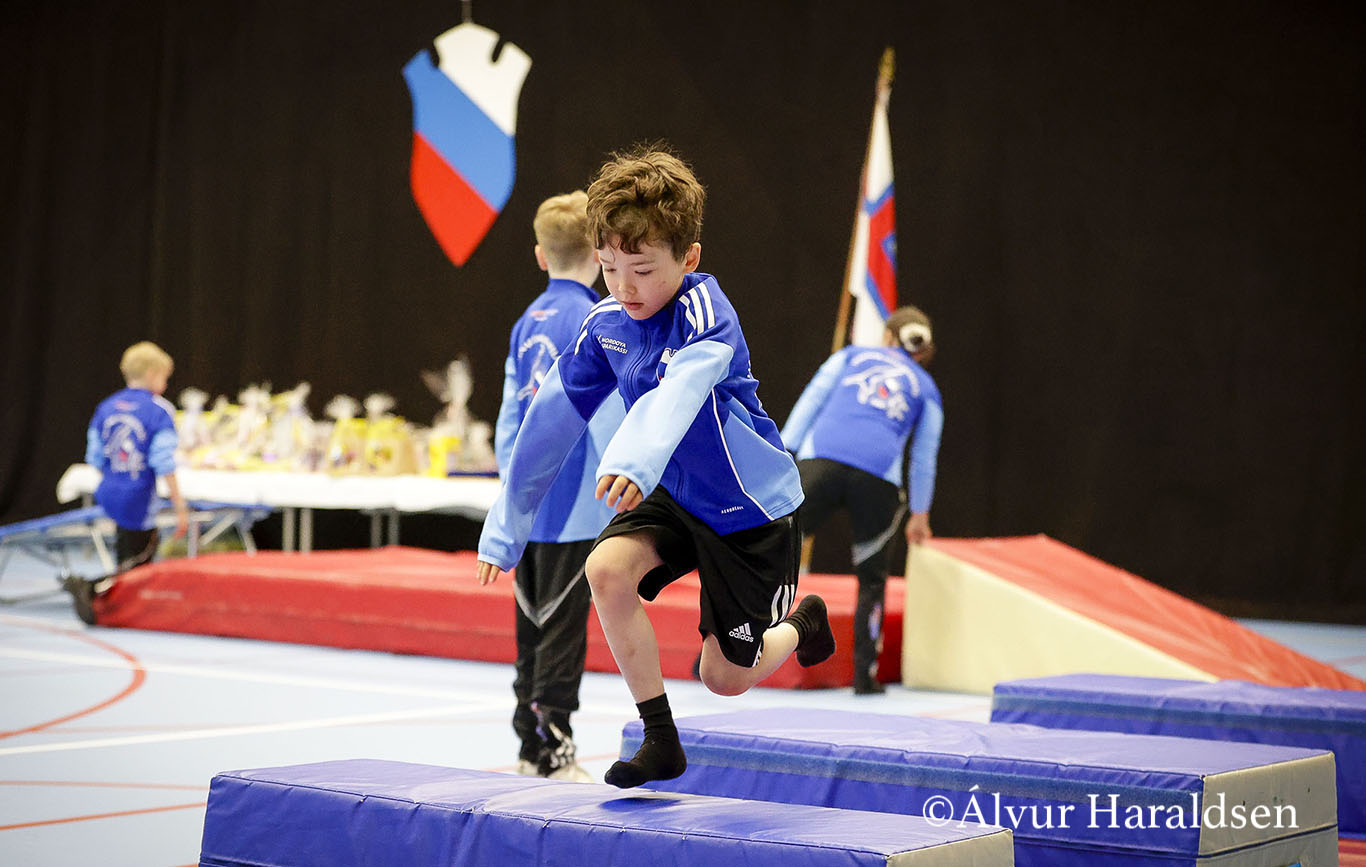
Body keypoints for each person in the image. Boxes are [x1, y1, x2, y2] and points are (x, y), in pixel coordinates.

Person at [477, 146, 835, 789]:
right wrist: (508, 522)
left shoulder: (706, 314)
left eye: (642, 270)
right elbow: (552, 416)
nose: (624, 288)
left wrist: (633, 460)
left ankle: (803, 619)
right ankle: (660, 739)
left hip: (750, 508)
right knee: (605, 569)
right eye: (610, 267)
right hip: (674, 492)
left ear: (689, 258)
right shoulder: (605, 324)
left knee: (723, 677)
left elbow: (679, 391)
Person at [494, 190, 625, 782]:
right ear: (599, 256)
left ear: (540, 256)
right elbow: (608, 412)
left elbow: (508, 415)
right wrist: (626, 480)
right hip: (577, 499)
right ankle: (554, 747)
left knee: (531, 622)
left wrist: (512, 489)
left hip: (530, 496)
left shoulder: (527, 321)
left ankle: (529, 745)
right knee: (563, 626)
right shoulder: (600, 319)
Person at [780, 307, 944, 694]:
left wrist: (783, 454)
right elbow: (924, 459)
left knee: (772, 549)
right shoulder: (927, 389)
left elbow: (810, 402)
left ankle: (728, 647)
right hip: (878, 481)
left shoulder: (850, 356)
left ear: (888, 336)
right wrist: (919, 514)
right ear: (922, 350)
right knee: (872, 578)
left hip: (820, 464)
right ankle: (865, 675)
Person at [64, 341, 189, 624]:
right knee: (141, 557)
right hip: (138, 494)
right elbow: (163, 462)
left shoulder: (106, 407)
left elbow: (94, 457)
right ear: (152, 374)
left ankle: (116, 600)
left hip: (109, 490)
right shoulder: (159, 410)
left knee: (126, 546)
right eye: (165, 377)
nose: (166, 384)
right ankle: (95, 588)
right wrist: (179, 505)